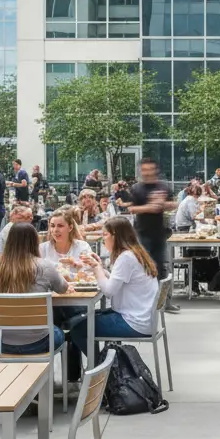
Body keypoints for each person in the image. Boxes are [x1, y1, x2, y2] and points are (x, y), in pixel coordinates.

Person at [66, 218, 159, 372]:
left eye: (105, 235)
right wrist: (100, 268)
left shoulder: (125, 258)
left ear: (115, 235)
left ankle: (101, 371)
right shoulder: (134, 253)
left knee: (78, 329)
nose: (103, 239)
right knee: (82, 320)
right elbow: (117, 281)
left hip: (133, 321)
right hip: (142, 317)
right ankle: (106, 367)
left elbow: (109, 291)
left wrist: (96, 268)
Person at [0, 222, 72, 354]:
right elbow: (63, 288)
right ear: (34, 241)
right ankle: (68, 374)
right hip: (39, 342)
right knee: (64, 330)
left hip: (2, 342)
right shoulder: (44, 266)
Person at [129, 158, 179, 313]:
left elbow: (174, 204)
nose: (147, 173)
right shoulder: (137, 189)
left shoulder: (163, 186)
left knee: (163, 268)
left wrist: (162, 204)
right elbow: (131, 209)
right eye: (144, 170)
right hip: (142, 234)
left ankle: (165, 302)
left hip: (160, 234)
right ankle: (145, 303)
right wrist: (149, 207)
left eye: (150, 169)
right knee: (143, 269)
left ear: (155, 170)